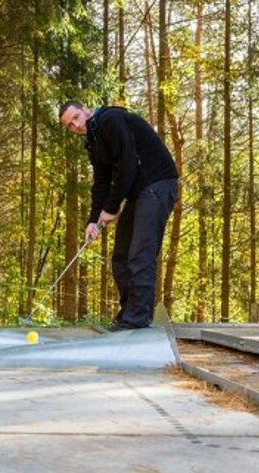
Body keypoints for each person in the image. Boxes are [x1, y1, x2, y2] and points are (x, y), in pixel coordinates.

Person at [59, 101, 178, 331]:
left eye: (76, 117)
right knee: (121, 256)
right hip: (138, 192)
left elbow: (127, 165)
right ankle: (129, 314)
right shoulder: (93, 142)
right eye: (70, 126)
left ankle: (137, 321)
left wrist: (111, 208)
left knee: (140, 253)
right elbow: (101, 183)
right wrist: (93, 220)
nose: (76, 126)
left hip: (158, 183)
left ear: (85, 109)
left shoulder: (110, 120)